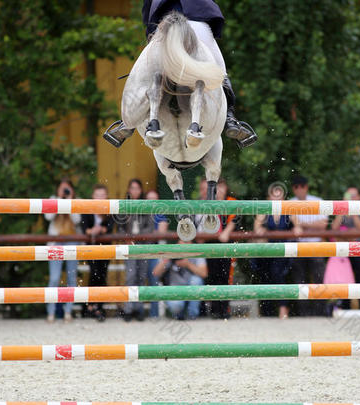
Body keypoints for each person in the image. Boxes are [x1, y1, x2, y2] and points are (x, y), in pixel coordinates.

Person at [104, 0, 258, 149]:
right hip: (198, 23)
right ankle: (230, 120)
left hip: (163, 25)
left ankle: (128, 123)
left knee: (143, 74)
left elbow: (147, 11)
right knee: (221, 73)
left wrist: (151, 38)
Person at [252, 183, 300, 318]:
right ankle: (267, 311)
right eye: (275, 196)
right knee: (265, 276)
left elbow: (298, 228)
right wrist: (262, 230)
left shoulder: (289, 210)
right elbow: (257, 228)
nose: (277, 200)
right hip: (267, 249)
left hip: (283, 249)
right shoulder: (263, 210)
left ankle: (282, 308)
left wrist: (295, 229)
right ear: (269, 198)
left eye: (280, 197)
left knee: (278, 275)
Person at [289, 175, 328, 316]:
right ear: (293, 189)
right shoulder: (290, 203)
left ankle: (319, 311)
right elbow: (319, 225)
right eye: (296, 187)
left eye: (302, 186)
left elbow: (323, 226)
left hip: (315, 245)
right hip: (300, 246)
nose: (299, 189)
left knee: (319, 279)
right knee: (300, 280)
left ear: (306, 187)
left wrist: (302, 225)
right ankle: (304, 313)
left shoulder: (318, 201)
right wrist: (311, 226)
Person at [44, 179, 81, 323]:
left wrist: (70, 201)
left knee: (71, 278)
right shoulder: (53, 200)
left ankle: (68, 312)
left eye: (67, 189)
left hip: (72, 241)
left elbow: (77, 220)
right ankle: (51, 312)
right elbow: (48, 217)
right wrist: (60, 200)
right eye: (62, 189)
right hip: (56, 242)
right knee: (54, 278)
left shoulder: (76, 201)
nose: (65, 191)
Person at [119, 179, 156, 321]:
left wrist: (139, 237)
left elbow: (150, 227)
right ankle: (128, 309)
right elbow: (120, 227)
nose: (134, 191)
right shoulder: (124, 206)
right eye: (132, 188)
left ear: (141, 191)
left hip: (142, 246)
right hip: (129, 246)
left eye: (137, 188)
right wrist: (127, 238)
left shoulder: (145, 206)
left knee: (141, 276)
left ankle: (138, 308)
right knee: (130, 276)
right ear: (129, 190)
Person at [331, 186, 360, 310]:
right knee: (345, 281)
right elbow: (334, 228)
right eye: (349, 196)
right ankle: (345, 308)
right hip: (346, 251)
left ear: (359, 197)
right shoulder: (343, 211)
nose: (351, 198)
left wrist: (353, 211)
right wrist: (342, 209)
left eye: (354, 196)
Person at [205, 178, 238, 319]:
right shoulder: (210, 203)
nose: (219, 189)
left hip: (226, 246)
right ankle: (214, 309)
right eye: (217, 186)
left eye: (222, 186)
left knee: (225, 277)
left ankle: (225, 309)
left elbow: (235, 219)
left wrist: (226, 232)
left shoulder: (231, 201)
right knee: (213, 276)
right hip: (211, 245)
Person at [81, 184, 114, 322]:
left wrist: (98, 229)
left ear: (106, 196)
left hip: (105, 248)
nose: (100, 197)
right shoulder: (87, 210)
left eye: (102, 195)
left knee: (102, 274)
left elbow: (110, 228)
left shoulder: (110, 210)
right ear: (93, 197)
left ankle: (98, 306)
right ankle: (90, 305)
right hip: (91, 248)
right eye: (98, 195)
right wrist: (92, 231)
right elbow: (85, 229)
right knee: (94, 274)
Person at [153, 240, 208, 320]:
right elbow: (155, 273)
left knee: (196, 280)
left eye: (188, 242)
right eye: (183, 242)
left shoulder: (196, 252)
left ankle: (192, 315)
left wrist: (188, 264)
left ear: (192, 243)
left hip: (191, 288)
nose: (185, 245)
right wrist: (168, 258)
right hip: (175, 289)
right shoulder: (172, 253)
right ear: (177, 243)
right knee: (176, 306)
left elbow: (204, 273)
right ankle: (179, 316)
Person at [145, 188, 170, 318]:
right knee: (136, 279)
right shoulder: (141, 215)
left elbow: (160, 234)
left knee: (154, 280)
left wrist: (146, 236)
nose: (152, 203)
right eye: (149, 200)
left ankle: (154, 313)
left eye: (154, 200)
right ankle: (137, 312)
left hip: (156, 252)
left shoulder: (160, 215)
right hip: (144, 251)